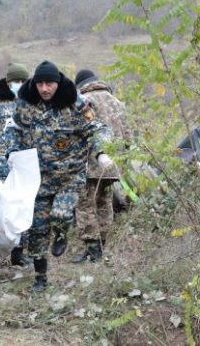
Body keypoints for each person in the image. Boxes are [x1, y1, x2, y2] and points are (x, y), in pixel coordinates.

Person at [7, 60, 113, 292]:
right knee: (37, 229)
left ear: (58, 83)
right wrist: (12, 151)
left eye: (50, 84)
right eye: (40, 84)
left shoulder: (75, 104)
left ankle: (62, 232)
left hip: (69, 176)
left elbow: (98, 128)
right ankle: (40, 279)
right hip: (38, 177)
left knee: (61, 215)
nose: (45, 89)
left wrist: (102, 151)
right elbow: (13, 129)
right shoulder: (26, 105)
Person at [72, 70, 132, 263]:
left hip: (90, 163)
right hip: (112, 164)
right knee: (105, 202)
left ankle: (92, 249)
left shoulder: (85, 101)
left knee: (85, 203)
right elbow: (128, 136)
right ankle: (102, 244)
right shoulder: (117, 102)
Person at [0, 62, 35, 267]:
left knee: (21, 207)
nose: (20, 84)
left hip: (19, 165)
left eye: (24, 81)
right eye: (17, 81)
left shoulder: (28, 102)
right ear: (8, 82)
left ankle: (18, 253)